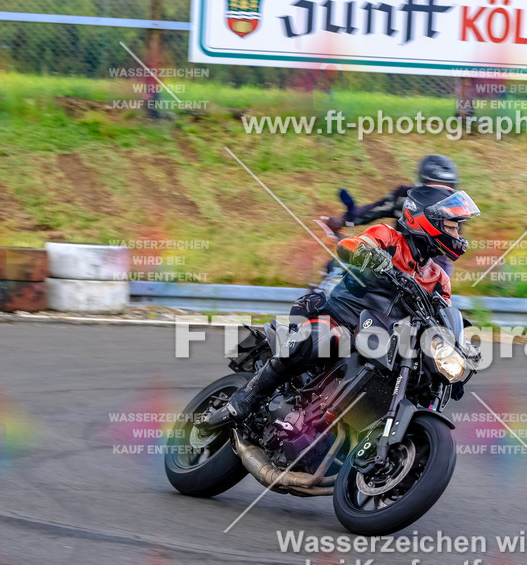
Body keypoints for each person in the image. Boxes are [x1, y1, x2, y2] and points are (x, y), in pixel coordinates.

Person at [200, 185, 480, 435]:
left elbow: (442, 319)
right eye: (452, 226)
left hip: (384, 342)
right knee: (320, 338)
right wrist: (368, 254)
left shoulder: (439, 278)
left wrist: (458, 350)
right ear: (426, 221)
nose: (457, 234)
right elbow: (352, 244)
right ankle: (247, 398)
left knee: (422, 381)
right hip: (344, 319)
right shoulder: (389, 238)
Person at [323, 154, 461, 275]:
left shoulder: (455, 210)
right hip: (393, 258)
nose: (440, 191)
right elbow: (374, 210)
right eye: (434, 185)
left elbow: (452, 245)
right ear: (421, 182)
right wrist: (344, 219)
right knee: (338, 266)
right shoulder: (404, 197)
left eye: (446, 186)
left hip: (429, 268)